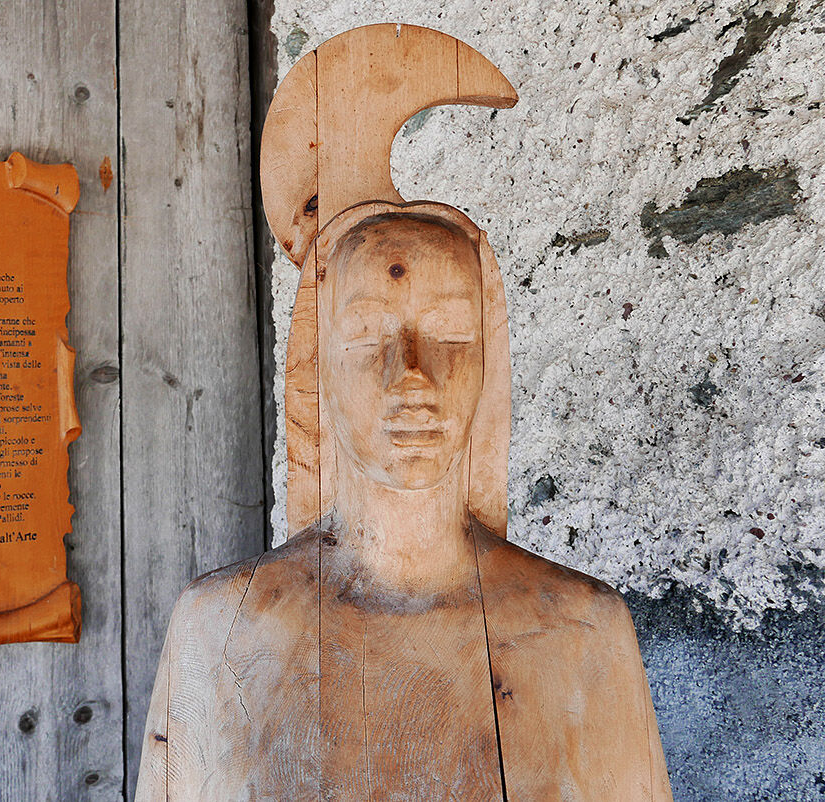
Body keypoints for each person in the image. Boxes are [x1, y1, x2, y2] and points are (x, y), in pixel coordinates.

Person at [135, 205, 672, 801]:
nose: (412, 375)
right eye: (367, 336)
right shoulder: (217, 628)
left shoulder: (582, 631)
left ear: (487, 361)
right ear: (322, 368)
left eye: (451, 334)